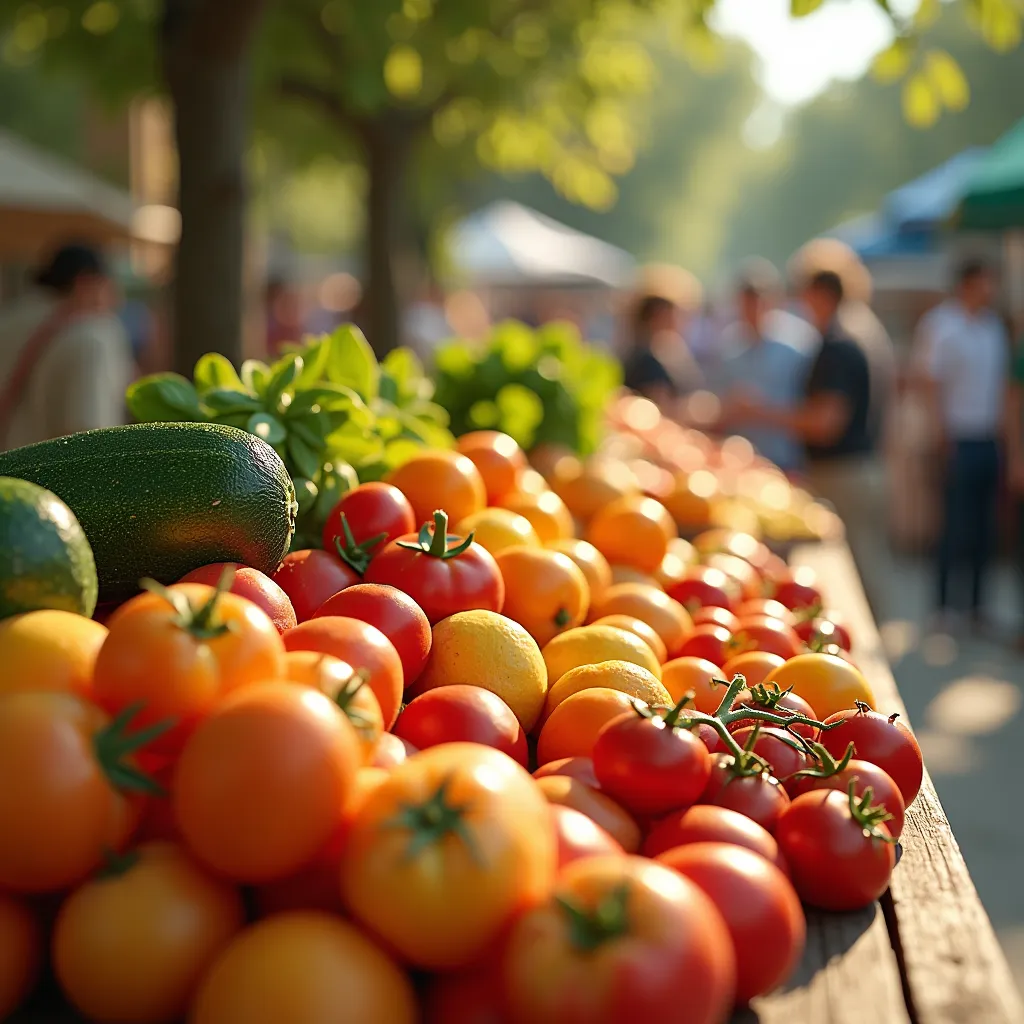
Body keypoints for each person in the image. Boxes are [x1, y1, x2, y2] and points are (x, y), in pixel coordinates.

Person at [725, 271, 883, 606]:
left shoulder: (837, 347)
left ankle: (874, 653)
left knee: (859, 578)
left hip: (844, 472)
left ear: (822, 295)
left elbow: (825, 422)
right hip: (843, 470)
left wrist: (758, 412)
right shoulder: (835, 342)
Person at [918, 258, 1008, 629]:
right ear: (967, 284)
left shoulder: (993, 328)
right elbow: (931, 383)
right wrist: (940, 435)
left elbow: (1001, 388)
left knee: (984, 527)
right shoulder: (943, 325)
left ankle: (975, 606)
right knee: (954, 525)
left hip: (988, 437)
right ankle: (943, 605)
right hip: (957, 438)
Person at [0, 243, 133, 450]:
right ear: (85, 282)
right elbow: (89, 432)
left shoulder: (8, 320)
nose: (116, 298)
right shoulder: (93, 334)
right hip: (48, 479)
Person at [714, 260, 812, 474]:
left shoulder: (799, 344)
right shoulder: (730, 346)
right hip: (743, 459)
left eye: (758, 303)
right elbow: (721, 399)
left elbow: (809, 404)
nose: (753, 311)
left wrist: (760, 410)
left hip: (787, 457)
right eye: (747, 303)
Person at [622, 294, 701, 409]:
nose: (679, 321)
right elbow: (662, 406)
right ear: (657, 317)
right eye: (673, 315)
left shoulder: (645, 354)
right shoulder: (647, 361)